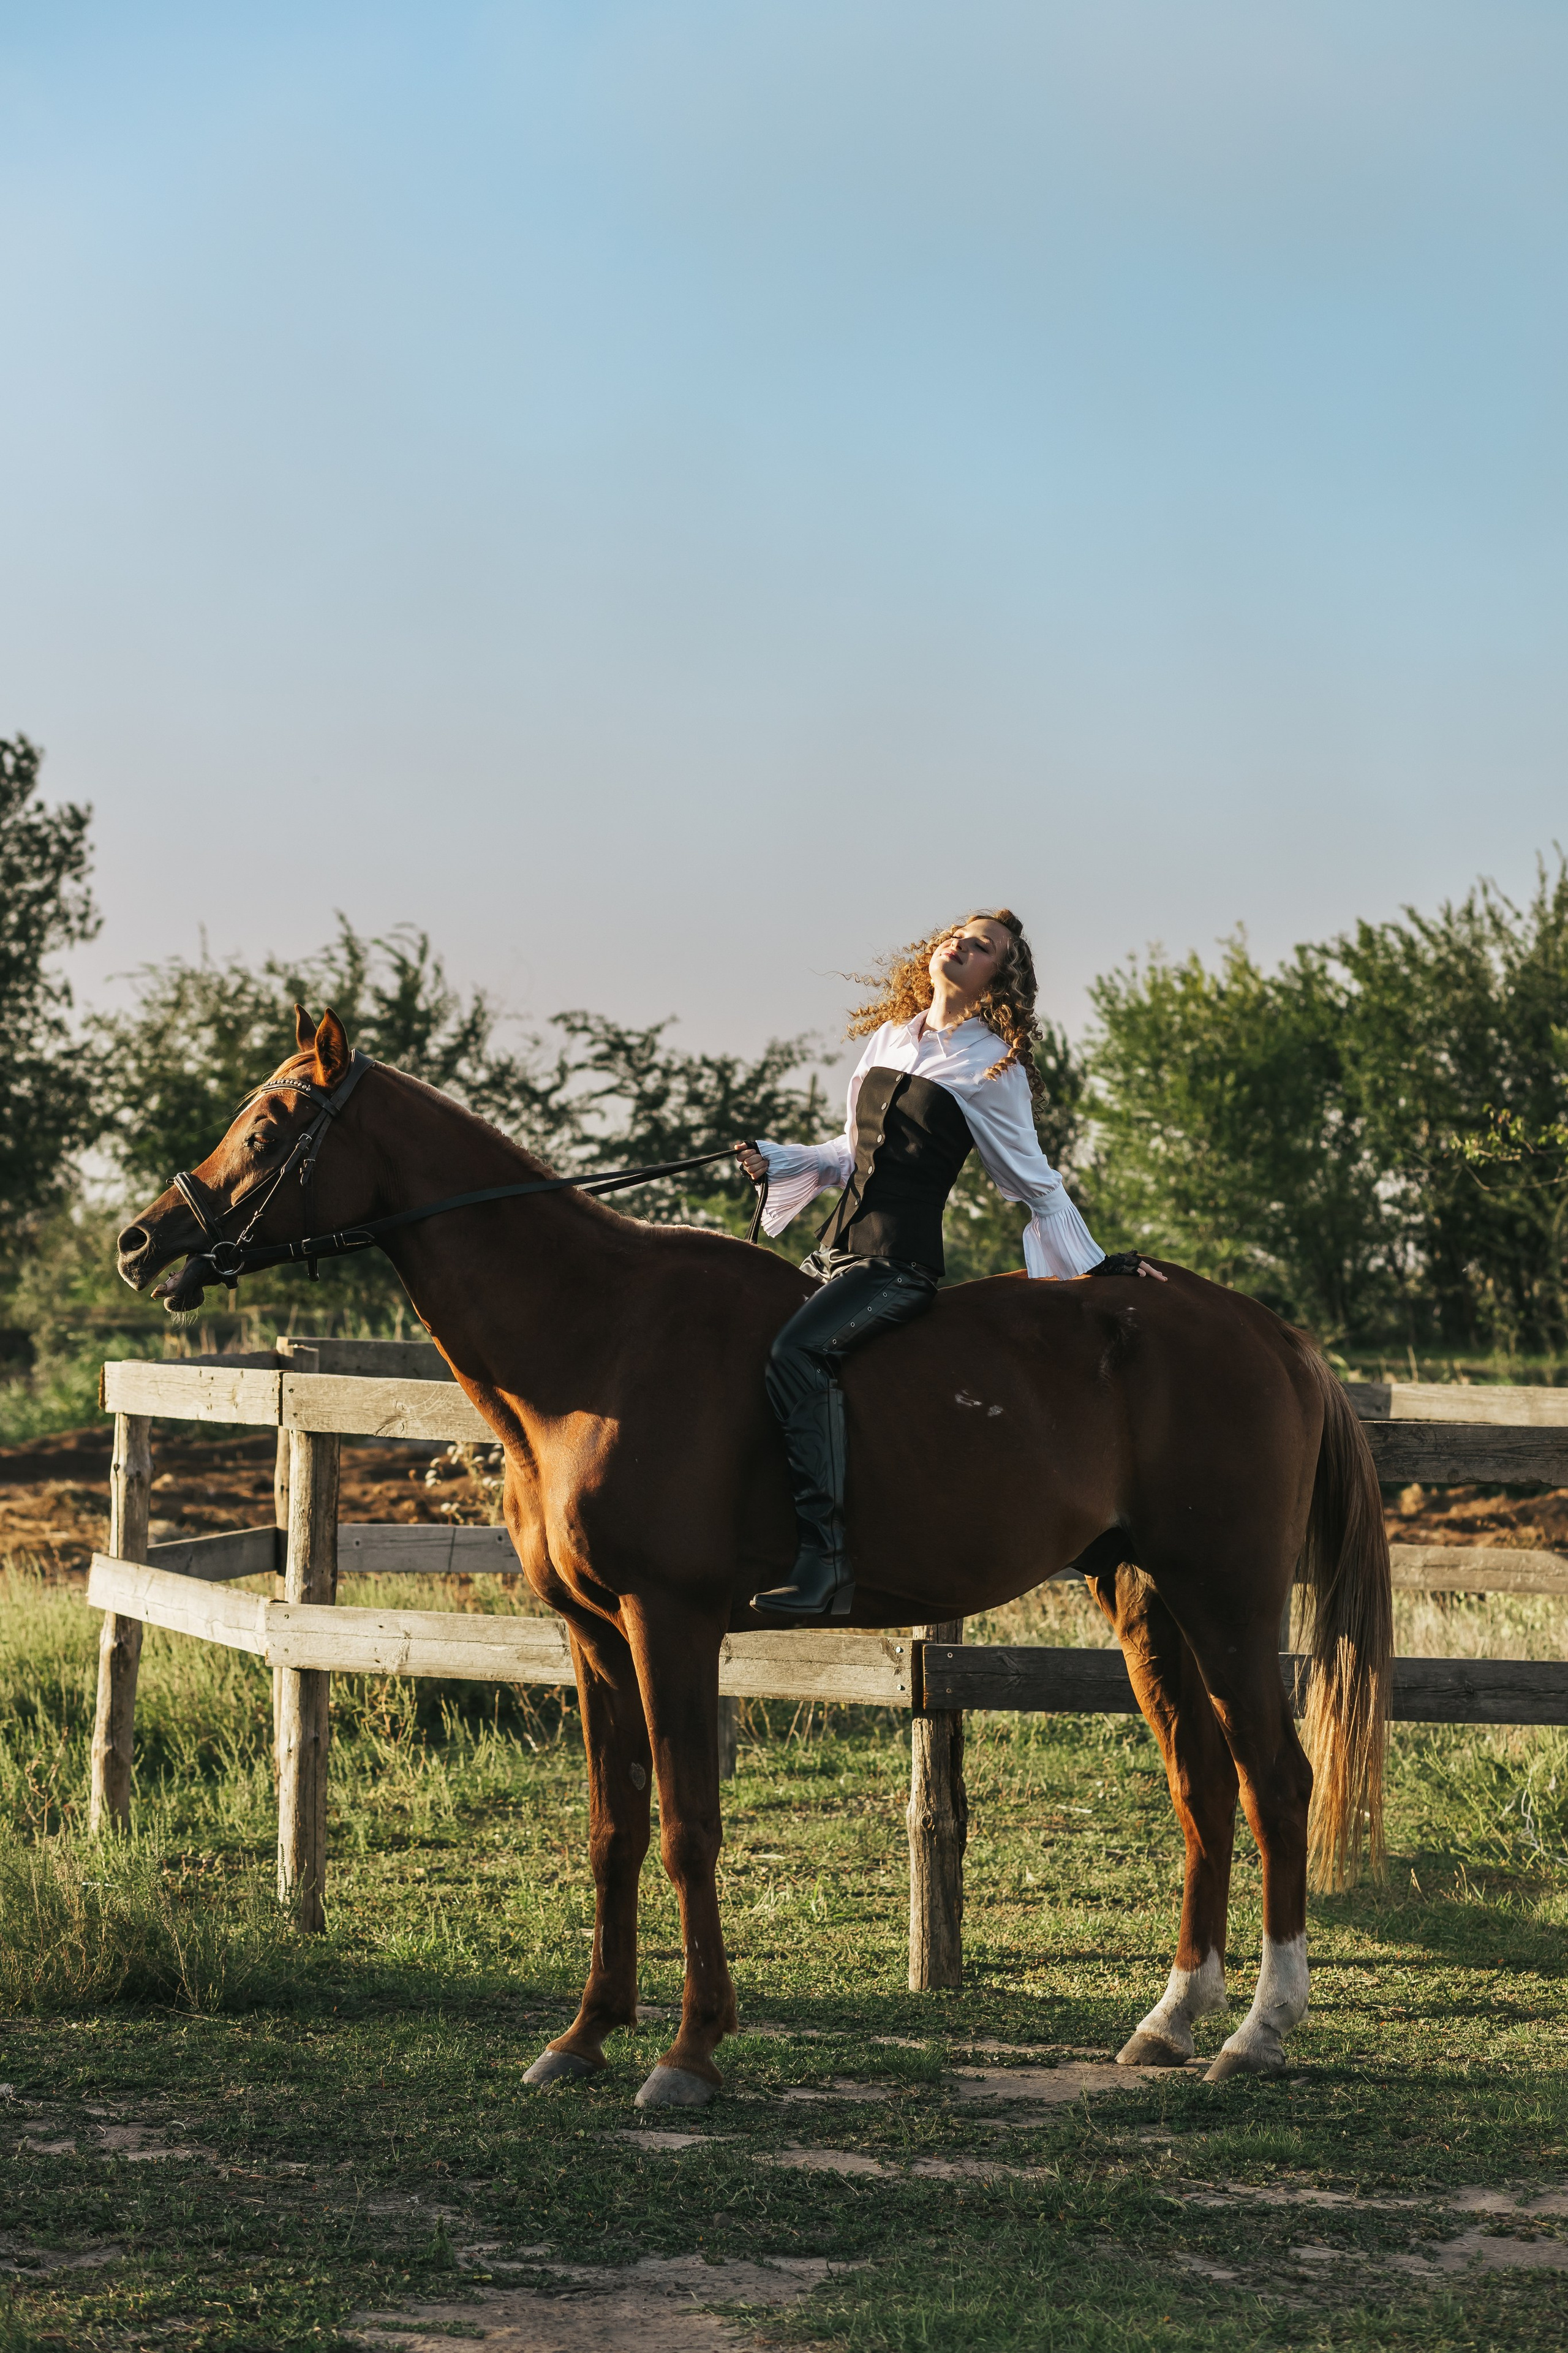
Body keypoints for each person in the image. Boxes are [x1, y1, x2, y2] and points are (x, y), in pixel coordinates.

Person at [736, 909, 1164, 1623]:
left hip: (894, 1267)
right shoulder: (889, 1038)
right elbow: (851, 1153)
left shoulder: (990, 1066)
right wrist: (776, 1160)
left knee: (795, 1352)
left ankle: (827, 1563)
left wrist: (1097, 1264)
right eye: (960, 936)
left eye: (984, 947)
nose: (963, 946)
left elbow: (1035, 1181)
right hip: (830, 1257)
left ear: (1000, 974)